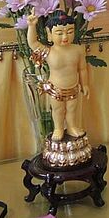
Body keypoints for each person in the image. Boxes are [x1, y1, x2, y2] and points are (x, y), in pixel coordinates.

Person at [27, 9, 89, 142]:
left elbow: (82, 69)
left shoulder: (78, 50)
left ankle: (72, 127)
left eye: (70, 32)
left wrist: (85, 84)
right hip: (55, 89)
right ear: (49, 34)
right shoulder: (49, 51)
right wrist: (32, 26)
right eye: (59, 33)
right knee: (58, 110)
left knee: (72, 109)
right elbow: (33, 44)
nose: (65, 37)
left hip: (73, 87)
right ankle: (59, 128)